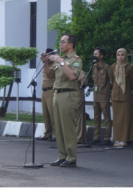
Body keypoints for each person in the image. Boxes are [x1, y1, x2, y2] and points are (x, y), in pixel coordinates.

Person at [41, 34, 82, 167]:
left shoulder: (76, 60)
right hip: (56, 94)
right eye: (60, 42)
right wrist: (45, 62)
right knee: (57, 127)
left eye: (63, 42)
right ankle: (62, 155)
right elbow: (49, 74)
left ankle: (71, 157)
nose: (60, 44)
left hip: (68, 95)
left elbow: (71, 76)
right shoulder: (61, 59)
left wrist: (60, 61)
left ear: (70, 45)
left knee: (68, 128)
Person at [110, 48, 133, 147]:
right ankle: (117, 138)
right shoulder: (113, 66)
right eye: (118, 55)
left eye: (122, 55)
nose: (120, 57)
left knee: (126, 119)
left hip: (126, 96)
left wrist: (126, 89)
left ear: (125, 56)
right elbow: (112, 79)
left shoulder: (129, 67)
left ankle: (124, 140)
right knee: (117, 119)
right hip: (116, 96)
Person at [88, 48, 112, 146]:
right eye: (93, 53)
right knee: (96, 117)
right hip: (96, 95)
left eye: (96, 54)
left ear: (101, 56)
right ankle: (96, 137)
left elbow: (112, 81)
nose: (94, 55)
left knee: (106, 117)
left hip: (104, 96)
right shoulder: (93, 66)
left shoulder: (107, 67)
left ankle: (107, 138)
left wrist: (106, 89)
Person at [36, 48, 56, 141]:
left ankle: (56, 134)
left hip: (51, 91)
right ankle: (47, 133)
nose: (46, 57)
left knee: (53, 113)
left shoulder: (55, 65)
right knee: (45, 114)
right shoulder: (45, 65)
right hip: (44, 91)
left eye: (48, 55)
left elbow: (50, 76)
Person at [76, 70, 88, 144]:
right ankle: (76, 138)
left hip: (75, 95)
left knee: (77, 118)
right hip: (72, 95)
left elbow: (84, 82)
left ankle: (78, 138)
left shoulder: (79, 71)